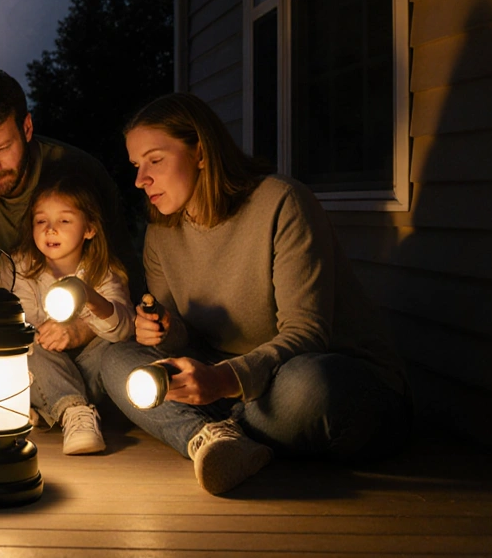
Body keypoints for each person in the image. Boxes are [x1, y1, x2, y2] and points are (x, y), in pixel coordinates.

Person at [100, 93, 411, 494]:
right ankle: (215, 441)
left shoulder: (281, 202)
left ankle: (214, 431)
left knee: (308, 386)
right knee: (117, 358)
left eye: (155, 160)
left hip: (333, 379)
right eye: (136, 166)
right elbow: (185, 340)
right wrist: (162, 329)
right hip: (237, 386)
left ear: (201, 152)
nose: (140, 179)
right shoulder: (162, 233)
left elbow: (307, 333)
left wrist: (222, 380)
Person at [0, 68, 141, 341]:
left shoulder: (79, 171)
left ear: (27, 128)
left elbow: (121, 273)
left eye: (3, 148)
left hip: (98, 333)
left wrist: (82, 329)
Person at [0, 173, 133, 454]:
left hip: (88, 372)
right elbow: (17, 327)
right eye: (41, 221)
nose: (50, 230)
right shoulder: (17, 266)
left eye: (64, 221)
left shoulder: (103, 272)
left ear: (89, 228)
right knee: (24, 343)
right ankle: (75, 413)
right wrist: (54, 332)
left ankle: (50, 410)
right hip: (41, 369)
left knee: (113, 345)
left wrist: (84, 312)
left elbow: (124, 327)